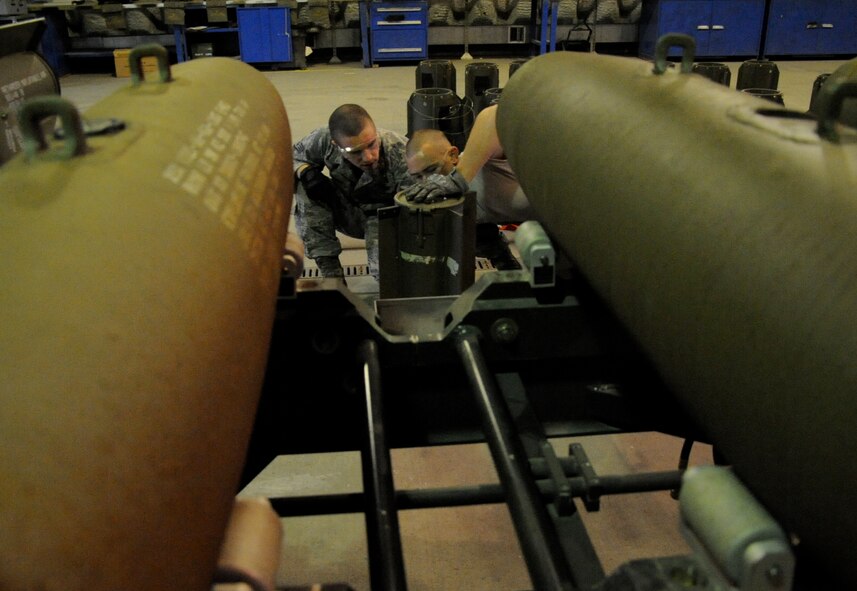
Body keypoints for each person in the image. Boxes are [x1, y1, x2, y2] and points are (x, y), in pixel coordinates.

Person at [293, 104, 413, 280]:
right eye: (355, 152)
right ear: (336, 145)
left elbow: (415, 209)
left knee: (385, 275)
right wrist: (304, 171)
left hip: (386, 217)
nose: (368, 157)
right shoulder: (325, 139)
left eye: (372, 144)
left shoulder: (400, 151)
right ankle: (332, 279)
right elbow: (292, 155)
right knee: (305, 188)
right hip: (346, 210)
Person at [402, 104, 535, 225]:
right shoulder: (443, 203)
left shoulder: (482, 162)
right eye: (418, 177)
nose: (427, 181)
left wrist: (458, 179)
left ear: (453, 156)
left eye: (431, 170)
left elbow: (493, 116)